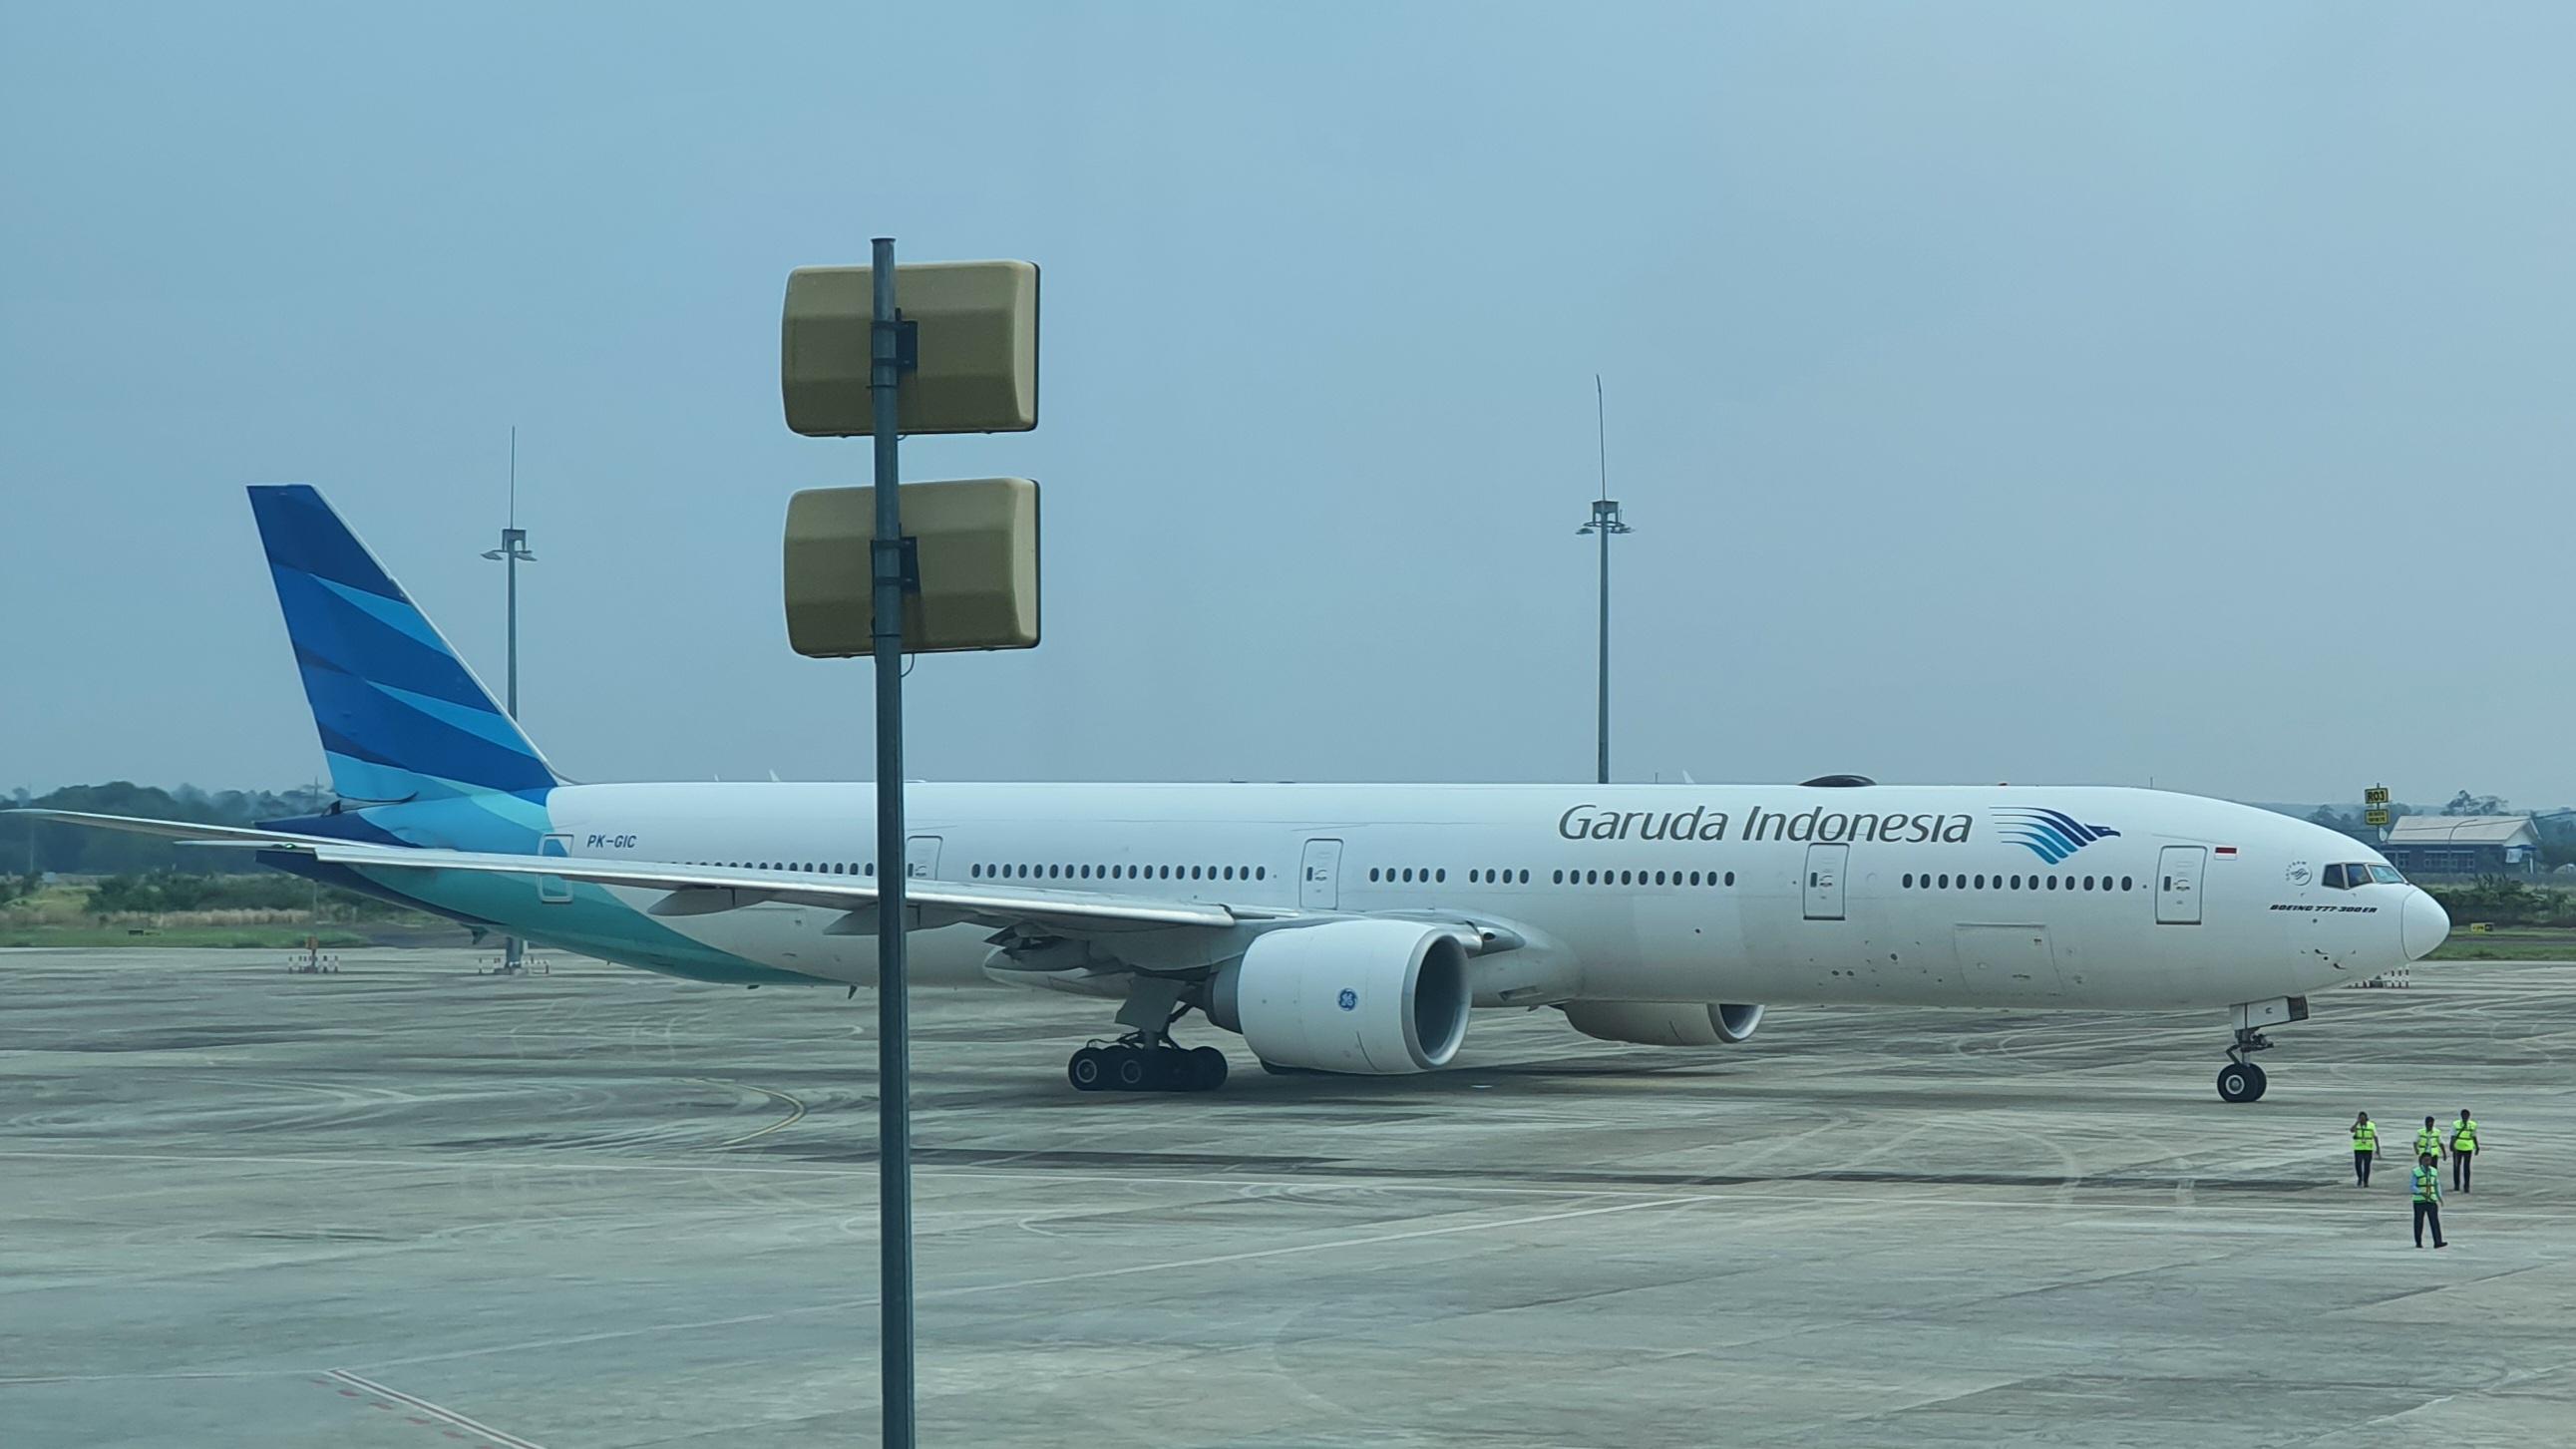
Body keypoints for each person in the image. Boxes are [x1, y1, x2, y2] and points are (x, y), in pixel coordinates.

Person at [2410, 1152, 2447, 1248]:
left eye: (2429, 1160)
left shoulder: (2434, 1171)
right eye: (2425, 1160)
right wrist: (2420, 1192)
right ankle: (2418, 1242)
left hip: (2431, 1200)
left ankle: (2438, 1241)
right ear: (2421, 1161)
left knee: (2435, 1221)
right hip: (2419, 1201)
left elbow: (2436, 1185)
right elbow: (2412, 1186)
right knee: (2419, 1222)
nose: (2428, 1162)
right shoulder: (2416, 1171)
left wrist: (2440, 1197)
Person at [2450, 1109, 2480, 1193]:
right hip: (2457, 1148)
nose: (2465, 1117)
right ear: (2461, 1116)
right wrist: (2452, 1145)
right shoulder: (2455, 1124)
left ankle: (2466, 1186)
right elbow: (2453, 1135)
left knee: (2466, 1168)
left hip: (2468, 1148)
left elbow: (2474, 1136)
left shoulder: (2473, 1125)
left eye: (2466, 1116)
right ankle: (2457, 1185)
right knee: (2456, 1167)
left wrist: (2477, 1147)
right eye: (2464, 1116)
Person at [2351, 1112, 2380, 1186]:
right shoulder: (2357, 1125)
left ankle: (2366, 1181)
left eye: (2363, 1118)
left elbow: (2375, 1136)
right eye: (2360, 1118)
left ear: (2366, 1118)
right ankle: (2360, 1177)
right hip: (2358, 1148)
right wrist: (2357, 1123)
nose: (2362, 1120)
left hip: (2368, 1148)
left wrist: (2378, 1148)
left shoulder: (2371, 1125)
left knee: (2367, 1165)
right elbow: (2351, 1130)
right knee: (2358, 1164)